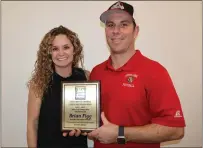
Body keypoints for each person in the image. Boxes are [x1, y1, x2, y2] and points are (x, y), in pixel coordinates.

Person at [87, 1, 186, 148]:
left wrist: (120, 133)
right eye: (110, 25)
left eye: (124, 24)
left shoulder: (154, 71)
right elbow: (94, 121)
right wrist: (80, 127)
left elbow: (176, 130)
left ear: (136, 31)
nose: (116, 31)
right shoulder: (97, 72)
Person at [26, 25, 89, 148]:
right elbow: (32, 124)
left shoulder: (86, 77)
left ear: (74, 49)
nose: (61, 53)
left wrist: (87, 128)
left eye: (66, 47)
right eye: (55, 48)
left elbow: (91, 116)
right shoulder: (39, 82)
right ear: (49, 53)